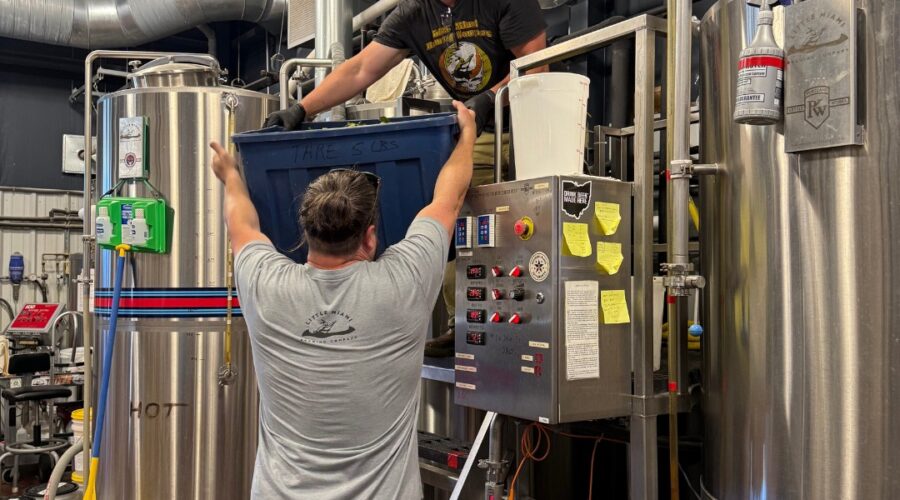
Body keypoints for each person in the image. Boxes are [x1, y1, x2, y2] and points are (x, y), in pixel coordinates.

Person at [209, 101, 476, 499]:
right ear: (370, 237)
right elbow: (449, 199)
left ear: (306, 234)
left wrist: (231, 176)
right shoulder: (405, 280)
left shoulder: (265, 283)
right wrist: (467, 135)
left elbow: (241, 224)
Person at [265, 0, 549, 357]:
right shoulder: (415, 12)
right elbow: (360, 70)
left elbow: (536, 66)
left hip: (536, 117)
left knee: (540, 220)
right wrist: (301, 108)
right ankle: (465, 323)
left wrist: (491, 96)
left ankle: (547, 324)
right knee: (459, 218)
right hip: (479, 129)